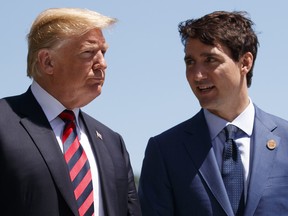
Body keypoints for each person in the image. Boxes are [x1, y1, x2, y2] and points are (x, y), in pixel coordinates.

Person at [138, 10, 288, 216]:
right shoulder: (164, 151)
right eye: (190, 62)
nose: (197, 75)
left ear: (245, 62)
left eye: (210, 60)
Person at [0, 7, 141, 216]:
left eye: (103, 52)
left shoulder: (113, 143)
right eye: (88, 52)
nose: (102, 63)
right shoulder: (4, 124)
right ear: (47, 61)